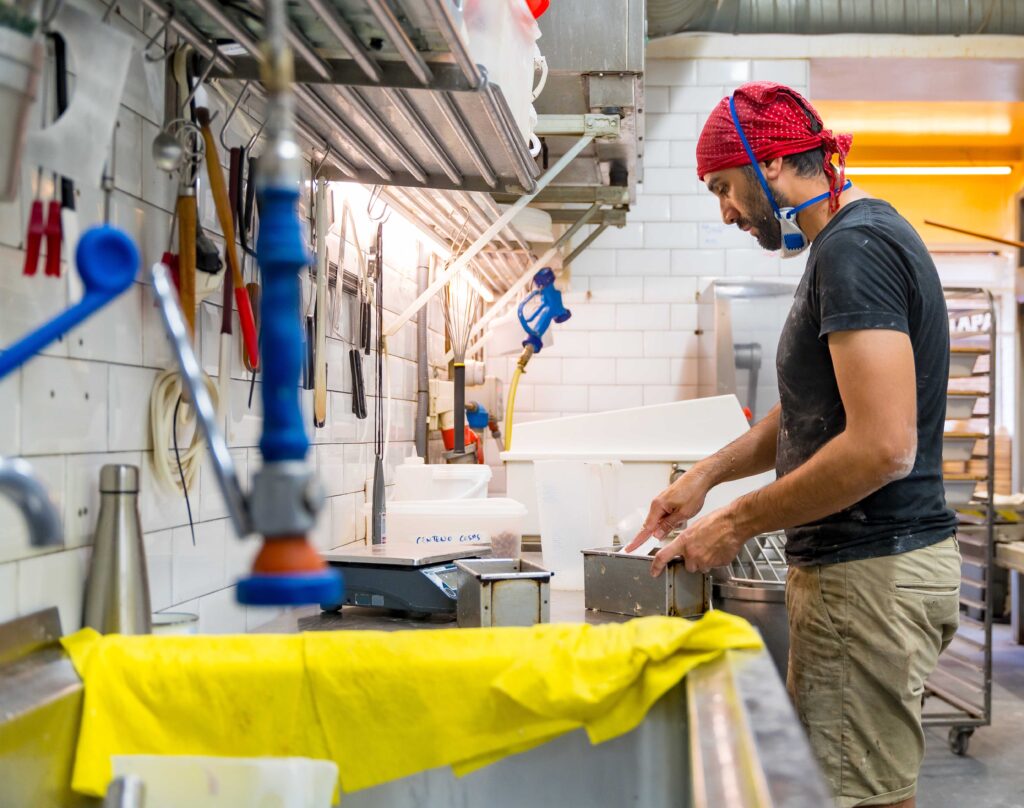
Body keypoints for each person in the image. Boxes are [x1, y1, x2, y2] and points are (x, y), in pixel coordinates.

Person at [625, 82, 960, 808]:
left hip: (869, 571)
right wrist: (706, 479)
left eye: (723, 186)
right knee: (863, 788)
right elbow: (815, 408)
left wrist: (735, 522)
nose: (725, 211)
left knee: (852, 798)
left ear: (769, 162)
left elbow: (881, 447)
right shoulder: (851, 242)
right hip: (878, 568)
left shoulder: (855, 249)